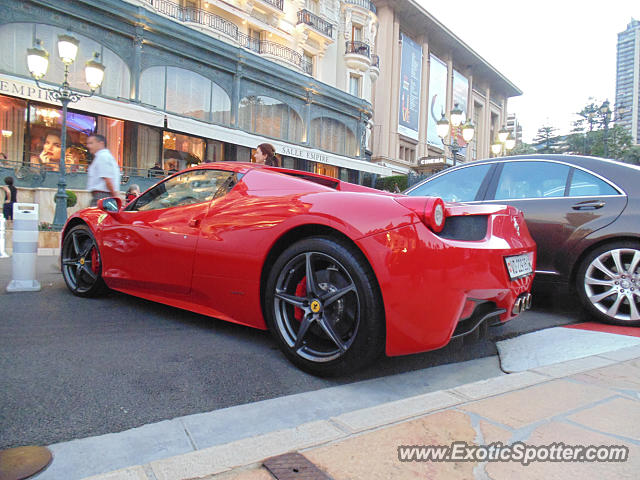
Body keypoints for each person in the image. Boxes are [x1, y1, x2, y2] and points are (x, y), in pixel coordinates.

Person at [86, 134, 120, 207]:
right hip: (102, 196)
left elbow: (107, 179)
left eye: (91, 143)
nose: (88, 146)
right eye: (88, 143)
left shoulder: (103, 157)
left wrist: (116, 197)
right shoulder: (102, 157)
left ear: (101, 144)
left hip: (102, 197)